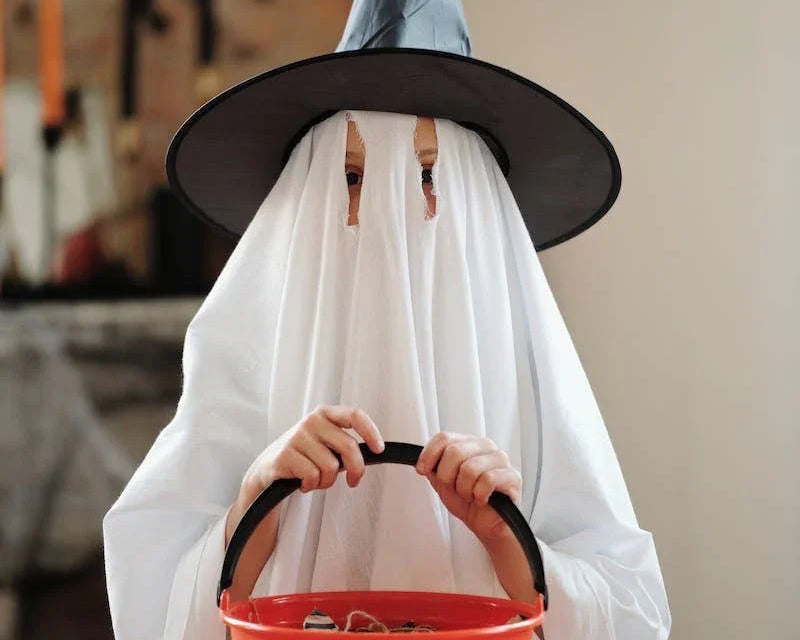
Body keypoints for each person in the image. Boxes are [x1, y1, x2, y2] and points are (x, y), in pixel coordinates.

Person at [104, 3, 671, 640]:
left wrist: (506, 537)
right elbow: (146, 592)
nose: (386, 209)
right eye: (353, 176)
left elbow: (633, 613)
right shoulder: (247, 357)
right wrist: (255, 501)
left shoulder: (530, 370)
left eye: (427, 174)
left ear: (475, 197)